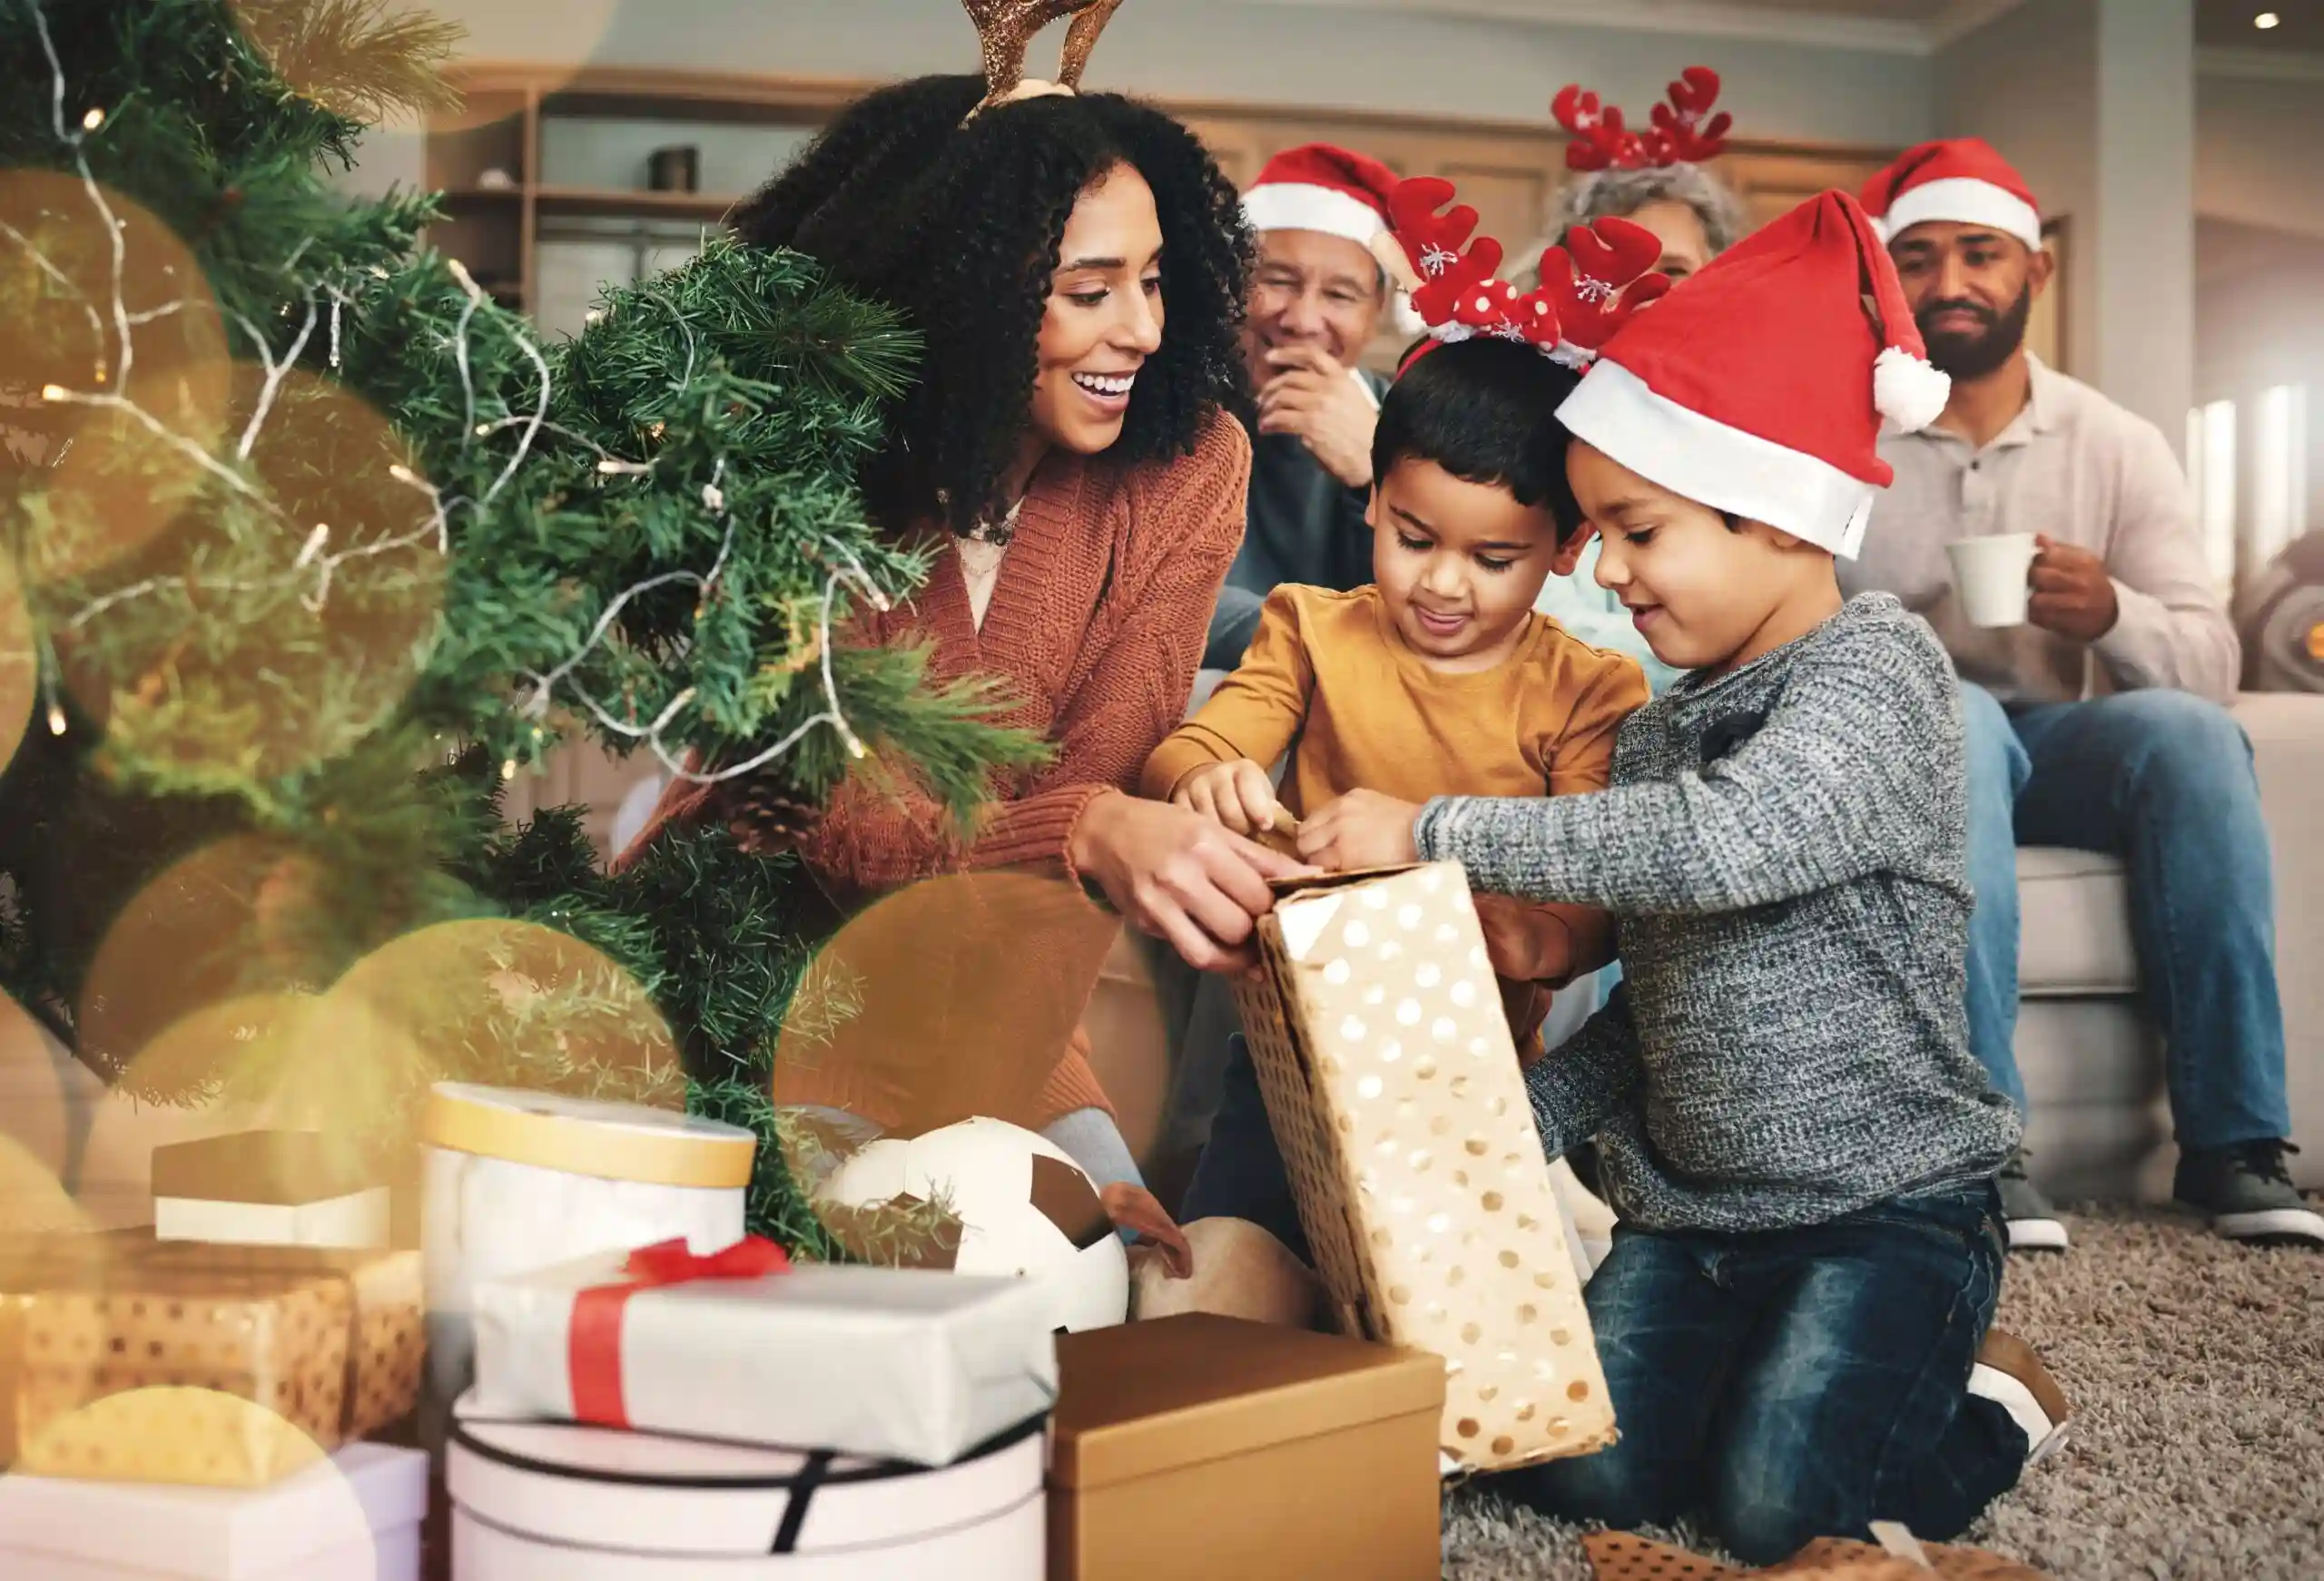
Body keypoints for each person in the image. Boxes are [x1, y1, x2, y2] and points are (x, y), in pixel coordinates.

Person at [1302, 190, 2063, 1564]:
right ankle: (1770, 1378)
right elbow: (1656, 1008)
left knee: (1776, 1510)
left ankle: (1996, 1398)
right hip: (1692, 1206)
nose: (1604, 571)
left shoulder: (1876, 672)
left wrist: (1428, 829)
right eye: (1596, 533)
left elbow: (1727, 844)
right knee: (1588, 1474)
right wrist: (1495, 1123)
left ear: (1774, 511)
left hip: (1881, 1211)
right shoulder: (1654, 726)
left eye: (1637, 531)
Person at [616, 52, 1304, 1194]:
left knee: (1097, 1268)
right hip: (737, 984)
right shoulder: (796, 451)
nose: (1139, 328)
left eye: (1156, 279)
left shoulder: (1189, 465)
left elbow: (1082, 796)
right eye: (1089, 291)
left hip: (985, 1010)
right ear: (964, 295)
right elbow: (853, 818)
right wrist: (1084, 828)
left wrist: (1044, 1100)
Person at [1850, 138, 2324, 1251]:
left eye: (1978, 254)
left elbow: (2213, 665)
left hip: (2062, 743)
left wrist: (2111, 613)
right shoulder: (1847, 436)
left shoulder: (2116, 442)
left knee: (2185, 735)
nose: (1949, 283)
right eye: (1916, 259)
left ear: (2034, 273)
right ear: (1889, 281)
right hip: (1912, 746)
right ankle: (1980, 1145)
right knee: (1954, 711)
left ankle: (2237, 1143)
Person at [1139, 300, 1657, 1315]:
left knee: (1472, 1327)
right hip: (1286, 1065)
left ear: (1564, 548)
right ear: (1373, 499)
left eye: (1491, 558)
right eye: (1415, 537)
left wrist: (1475, 920)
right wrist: (1202, 775)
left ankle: (1560, 1212)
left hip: (1474, 1084)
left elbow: (1591, 911)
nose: (1444, 584)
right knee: (1201, 1302)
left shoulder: (1589, 689)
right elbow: (1196, 744)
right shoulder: (1309, 627)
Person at [1524, 71, 1749, 698]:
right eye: (1621, 270)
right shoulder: (1525, 417)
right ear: (1574, 282)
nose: (1649, 293)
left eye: (1675, 270)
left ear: (1719, 283)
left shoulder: (1759, 432)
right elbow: (1524, 622)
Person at [1206, 144, 1403, 672]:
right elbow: (1158, 603)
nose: (1302, 320)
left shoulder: (1419, 418)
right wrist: (1338, 640)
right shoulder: (1167, 406)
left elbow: (1450, 606)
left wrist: (1377, 474)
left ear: (1375, 313)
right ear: (1231, 286)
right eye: (1277, 281)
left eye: (1340, 295)